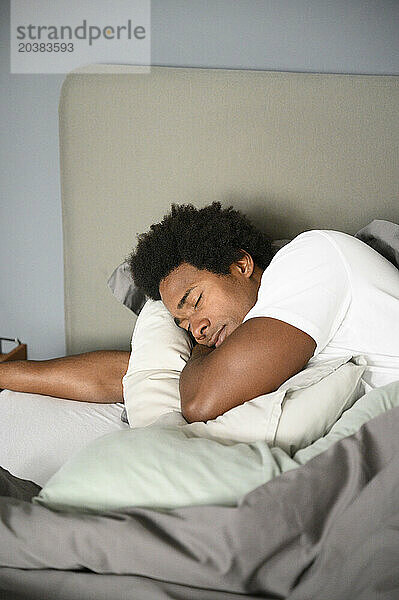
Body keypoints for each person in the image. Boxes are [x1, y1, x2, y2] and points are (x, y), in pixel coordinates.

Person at [2, 202, 399, 424]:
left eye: (195, 302)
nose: (198, 329)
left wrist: (200, 353)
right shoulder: (272, 328)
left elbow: (200, 400)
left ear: (241, 265)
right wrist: (7, 374)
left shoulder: (310, 258)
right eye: (184, 326)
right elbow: (138, 375)